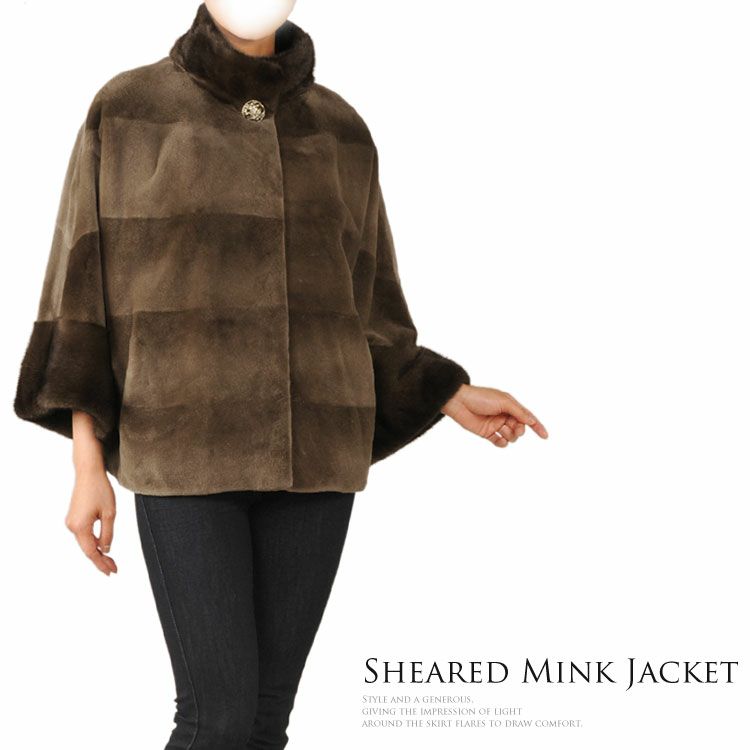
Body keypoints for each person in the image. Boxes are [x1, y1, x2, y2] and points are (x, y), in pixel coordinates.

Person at [13, 2, 548, 748]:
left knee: (266, 723)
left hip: (316, 460)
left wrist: (447, 391)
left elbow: (370, 306)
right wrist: (86, 463)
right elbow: (81, 298)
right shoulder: (129, 109)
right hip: (184, 452)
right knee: (217, 719)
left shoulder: (340, 128)